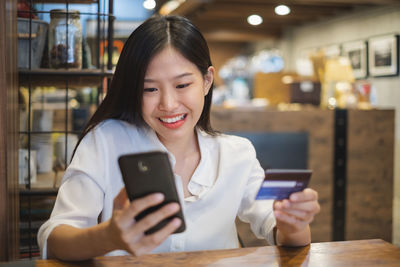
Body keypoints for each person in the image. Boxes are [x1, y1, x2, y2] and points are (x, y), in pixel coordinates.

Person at [37, 15, 320, 261]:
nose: (169, 104)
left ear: (207, 81)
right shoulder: (106, 141)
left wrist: (293, 223)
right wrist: (108, 237)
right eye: (149, 89)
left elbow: (283, 234)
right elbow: (54, 239)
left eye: (182, 84)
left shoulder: (236, 153)